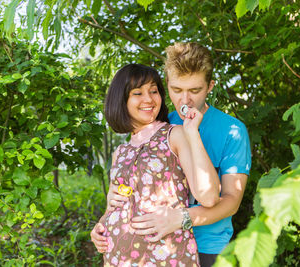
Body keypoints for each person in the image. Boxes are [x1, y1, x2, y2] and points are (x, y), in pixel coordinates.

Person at [91, 43, 252, 267]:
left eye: (194, 91)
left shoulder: (232, 131)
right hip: (155, 249)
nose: (185, 100)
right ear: (167, 85)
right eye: (177, 90)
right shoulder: (159, 124)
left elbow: (231, 201)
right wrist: (111, 207)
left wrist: (181, 218)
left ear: (210, 86)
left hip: (207, 246)